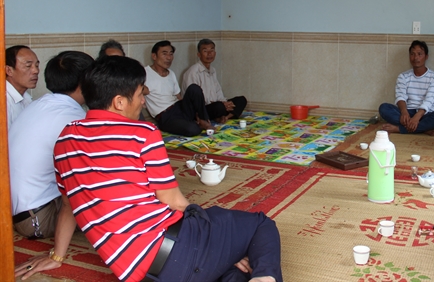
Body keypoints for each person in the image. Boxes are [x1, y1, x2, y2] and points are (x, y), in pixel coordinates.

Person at [15, 56, 283, 282]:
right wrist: (217, 238)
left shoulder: (66, 138)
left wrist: (57, 256)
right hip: (174, 251)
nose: (143, 101)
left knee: (233, 269)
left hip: (139, 272)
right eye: (140, 93)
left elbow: (68, 204)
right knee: (260, 225)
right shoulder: (141, 132)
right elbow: (173, 201)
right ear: (120, 101)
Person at [9, 51, 92, 239]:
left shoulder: (39, 104)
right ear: (85, 82)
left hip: (20, 211)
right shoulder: (73, 119)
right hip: (37, 219)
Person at [378, 40, 434, 135]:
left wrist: (417, 117)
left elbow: (429, 100)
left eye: (420, 54)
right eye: (412, 54)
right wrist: (404, 112)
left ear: (426, 57)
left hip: (426, 114)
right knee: (384, 108)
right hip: (408, 112)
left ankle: (400, 129)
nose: (416, 58)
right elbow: (400, 97)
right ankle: (423, 128)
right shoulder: (403, 76)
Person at [144, 40, 212, 136]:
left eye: (171, 54)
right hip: (166, 116)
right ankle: (196, 124)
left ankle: (203, 120)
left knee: (194, 88)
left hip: (179, 107)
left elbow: (178, 96)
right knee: (193, 129)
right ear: (154, 56)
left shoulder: (171, 73)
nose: (169, 58)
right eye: (164, 54)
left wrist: (192, 109)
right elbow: (136, 89)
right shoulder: (144, 73)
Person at [182, 39, 247, 123]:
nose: (209, 54)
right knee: (219, 107)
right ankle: (219, 116)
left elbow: (218, 91)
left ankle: (226, 117)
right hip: (201, 110)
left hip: (216, 105)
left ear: (215, 53)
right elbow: (194, 99)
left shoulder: (213, 70)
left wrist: (224, 102)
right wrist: (222, 105)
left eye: (211, 50)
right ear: (199, 54)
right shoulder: (193, 72)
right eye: (205, 51)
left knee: (241, 100)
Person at [5, 45, 40, 128]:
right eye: (28, 66)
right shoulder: (4, 102)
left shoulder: (27, 98)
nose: (36, 71)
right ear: (9, 70)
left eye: (37, 66)